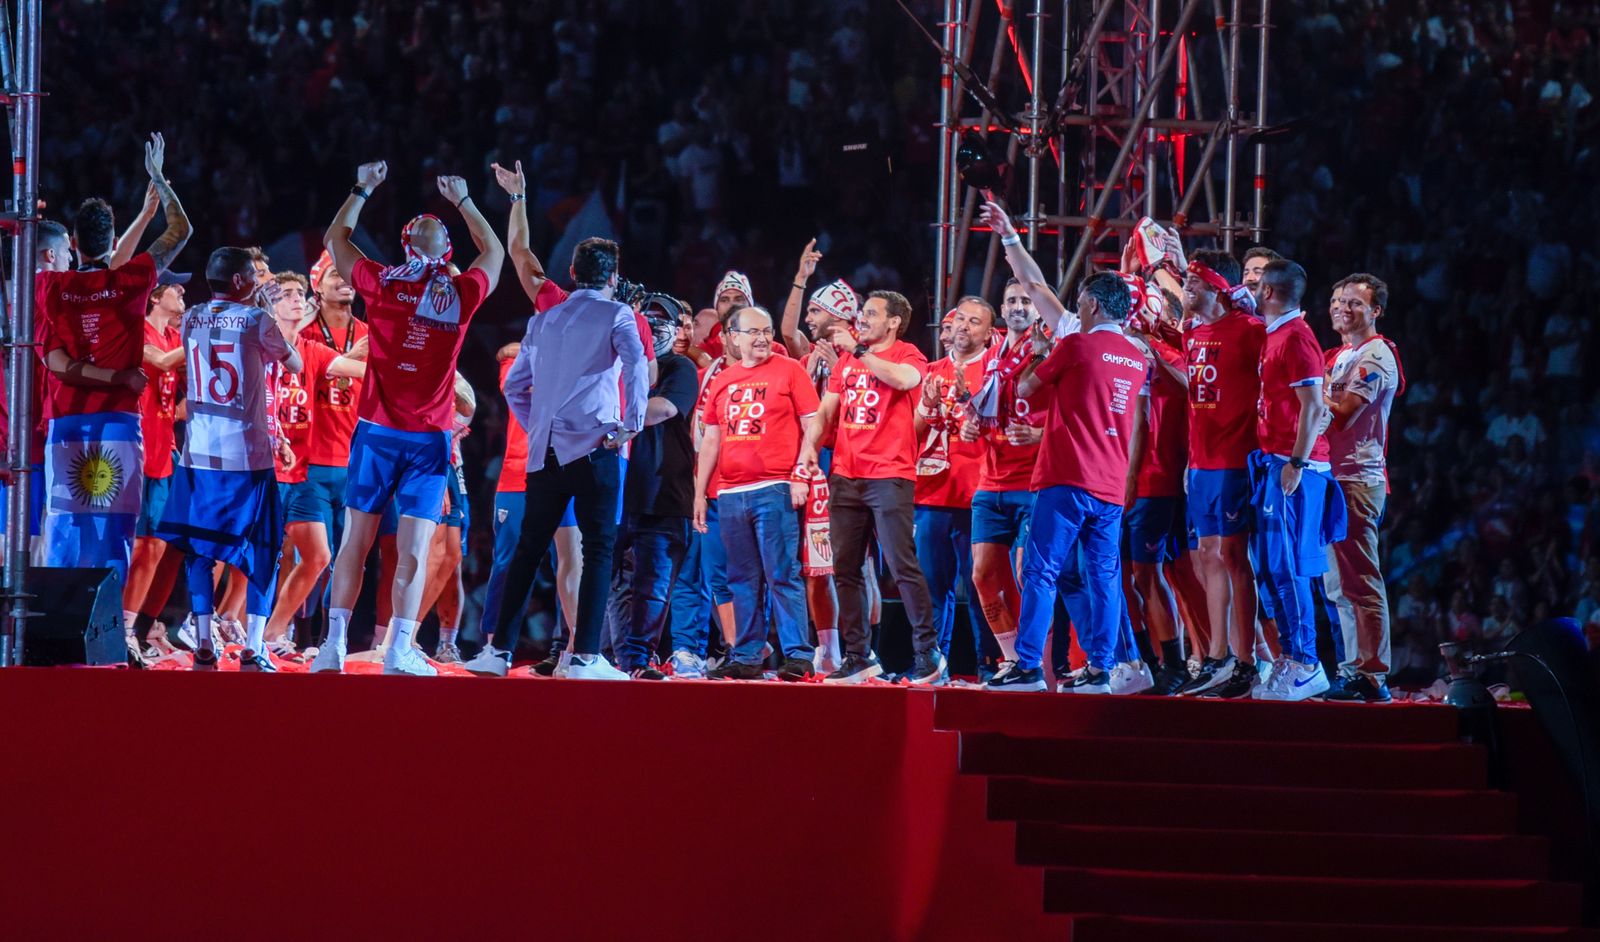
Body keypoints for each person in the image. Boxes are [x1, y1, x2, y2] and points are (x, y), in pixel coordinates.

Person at [311, 160, 504, 676]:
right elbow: (495, 252)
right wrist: (463, 202)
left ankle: (366, 647)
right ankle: (365, 647)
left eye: (433, 225)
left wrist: (363, 188)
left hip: (395, 435)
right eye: (428, 227)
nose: (429, 226)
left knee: (382, 544)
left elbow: (336, 238)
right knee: (387, 544)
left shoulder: (381, 285)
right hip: (410, 437)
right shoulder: (454, 293)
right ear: (443, 250)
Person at [467, 236, 647, 680]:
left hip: (544, 453)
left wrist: (539, 425)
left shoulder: (544, 320)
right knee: (598, 549)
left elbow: (513, 388)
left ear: (571, 274)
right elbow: (638, 364)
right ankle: (585, 656)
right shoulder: (617, 312)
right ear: (613, 277)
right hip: (595, 447)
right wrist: (631, 423)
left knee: (528, 551)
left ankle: (498, 653)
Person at [35, 133, 190, 585]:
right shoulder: (132, 281)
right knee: (116, 533)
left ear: (74, 244)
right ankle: (107, 634)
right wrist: (159, 181)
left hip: (66, 423)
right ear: (110, 239)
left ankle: (57, 638)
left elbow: (59, 357)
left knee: (65, 530)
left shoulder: (51, 288)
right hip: (119, 423)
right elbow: (181, 231)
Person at [987, 266, 1149, 694]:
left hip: (1067, 477)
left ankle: (1026, 667)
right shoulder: (1136, 357)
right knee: (1105, 577)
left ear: (1093, 304)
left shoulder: (1076, 344)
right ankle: (1101, 667)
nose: (1076, 310)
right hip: (1110, 483)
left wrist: (1041, 351)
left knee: (1041, 572)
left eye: (1079, 303)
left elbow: (1024, 389)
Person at [155, 247, 299, 671]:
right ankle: (255, 646)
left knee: (199, 550)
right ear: (238, 282)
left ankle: (203, 641)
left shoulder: (193, 316)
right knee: (264, 547)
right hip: (246, 457)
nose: (257, 282)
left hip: (198, 456)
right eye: (251, 276)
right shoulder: (257, 321)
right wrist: (269, 316)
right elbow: (293, 362)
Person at [799, 290, 942, 685]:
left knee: (900, 565)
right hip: (846, 474)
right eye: (862, 313)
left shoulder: (908, 354)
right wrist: (810, 447)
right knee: (844, 567)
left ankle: (927, 651)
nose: (862, 319)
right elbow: (828, 408)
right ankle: (859, 655)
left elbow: (905, 380)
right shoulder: (846, 359)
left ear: (894, 321)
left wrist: (859, 351)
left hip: (890, 474)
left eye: (872, 314)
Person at [695, 304, 819, 680]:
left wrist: (801, 474)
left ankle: (797, 654)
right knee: (742, 578)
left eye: (766, 331)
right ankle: (748, 655)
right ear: (733, 337)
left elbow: (813, 424)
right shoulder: (722, 379)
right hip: (731, 493)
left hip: (775, 487)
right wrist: (700, 493)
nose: (763, 338)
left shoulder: (790, 371)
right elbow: (711, 441)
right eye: (753, 332)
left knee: (782, 573)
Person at [962, 218, 1055, 681]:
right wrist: (970, 423)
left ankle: (1040, 662)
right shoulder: (993, 354)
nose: (1019, 306)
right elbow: (983, 409)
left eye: (1025, 299)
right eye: (1012, 300)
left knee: (1027, 575)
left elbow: (1077, 412)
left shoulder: (1053, 349)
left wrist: (1042, 437)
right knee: (982, 575)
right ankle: (1013, 657)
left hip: (1034, 480)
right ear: (1002, 310)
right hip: (991, 479)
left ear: (1037, 308)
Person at [1248, 258, 1346, 701]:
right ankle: (1291, 654)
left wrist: (1297, 462)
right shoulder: (1275, 334)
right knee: (1271, 568)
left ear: (1269, 292)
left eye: (1256, 285)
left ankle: (1308, 662)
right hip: (1276, 462)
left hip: (1298, 469)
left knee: (1290, 569)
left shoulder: (1297, 338)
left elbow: (1315, 407)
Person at [1174, 252, 1267, 699]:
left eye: (1194, 282)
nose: (1186, 288)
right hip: (1202, 462)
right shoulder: (1193, 331)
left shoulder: (1250, 331)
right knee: (1206, 554)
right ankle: (1217, 656)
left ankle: (1248, 660)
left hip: (1235, 457)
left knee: (1234, 556)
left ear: (1218, 287)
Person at [265, 271, 367, 648]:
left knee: (318, 556)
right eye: (287, 294)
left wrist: (408, 372)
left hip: (300, 469)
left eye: (299, 294)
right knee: (253, 556)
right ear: (269, 305)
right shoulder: (257, 347)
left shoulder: (311, 351)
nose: (297, 299)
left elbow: (355, 369)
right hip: (262, 469)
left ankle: (272, 633)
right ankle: (231, 625)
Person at [1321, 274, 1402, 703]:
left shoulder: (1377, 355)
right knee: (1338, 585)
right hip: (1333, 477)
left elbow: (1343, 414)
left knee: (1361, 581)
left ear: (1376, 311)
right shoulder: (1340, 356)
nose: (1342, 307)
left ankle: (1373, 675)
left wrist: (1305, 392)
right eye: (1337, 300)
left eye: (1354, 302)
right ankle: (1352, 669)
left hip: (1356, 479)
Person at [612, 306, 700, 678]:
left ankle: (637, 659)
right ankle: (602, 656)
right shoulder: (612, 364)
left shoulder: (678, 368)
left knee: (653, 586)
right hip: (614, 490)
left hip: (662, 492)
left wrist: (603, 411)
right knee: (607, 580)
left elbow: (663, 409)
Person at [915, 301, 996, 677]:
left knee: (982, 588)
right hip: (932, 494)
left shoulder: (996, 370)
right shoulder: (932, 372)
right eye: (960, 318)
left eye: (974, 321)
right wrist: (926, 407)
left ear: (988, 333)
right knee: (932, 587)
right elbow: (911, 435)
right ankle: (933, 665)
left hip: (978, 494)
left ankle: (989, 665)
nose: (964, 326)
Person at [123, 273, 188, 658]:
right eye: (174, 288)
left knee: (156, 546)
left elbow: (186, 391)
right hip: (136, 450)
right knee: (134, 545)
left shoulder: (174, 338)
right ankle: (119, 625)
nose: (182, 292)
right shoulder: (140, 333)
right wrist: (203, 331)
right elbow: (162, 362)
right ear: (154, 297)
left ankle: (135, 626)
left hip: (165, 454)